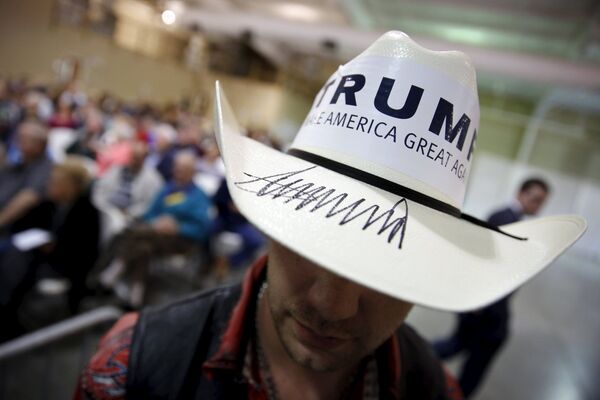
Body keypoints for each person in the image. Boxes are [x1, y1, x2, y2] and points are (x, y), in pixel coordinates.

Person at [74, 31, 585, 400]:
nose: (333, 304)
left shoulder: (435, 389)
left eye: (386, 263)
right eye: (312, 239)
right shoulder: (138, 364)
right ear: (271, 222)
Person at [432, 178, 550, 398]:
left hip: (485, 308)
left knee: (457, 345)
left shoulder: (510, 218)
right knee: (469, 365)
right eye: (535, 199)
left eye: (541, 202)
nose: (538, 206)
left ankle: (415, 359)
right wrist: (480, 304)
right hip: (487, 312)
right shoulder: (508, 219)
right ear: (521, 194)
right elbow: (489, 264)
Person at [0, 158, 100, 340]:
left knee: (15, 267)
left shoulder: (87, 213)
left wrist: (53, 248)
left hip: (63, 267)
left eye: (55, 182)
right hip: (38, 256)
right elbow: (26, 225)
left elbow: (83, 255)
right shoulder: (51, 204)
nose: (49, 185)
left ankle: (8, 319)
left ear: (71, 186)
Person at [97, 151, 212, 308]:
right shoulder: (168, 188)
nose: (178, 172)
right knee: (144, 248)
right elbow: (150, 213)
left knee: (132, 232)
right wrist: (157, 222)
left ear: (192, 172)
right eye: (176, 168)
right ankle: (136, 295)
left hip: (181, 239)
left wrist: (178, 227)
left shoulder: (199, 196)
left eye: (183, 169)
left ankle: (118, 266)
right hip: (154, 235)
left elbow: (202, 228)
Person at [93, 141, 163, 237]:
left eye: (136, 158)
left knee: (114, 227)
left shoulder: (153, 179)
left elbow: (149, 204)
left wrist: (129, 212)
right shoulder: (116, 169)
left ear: (144, 159)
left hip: (127, 215)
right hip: (105, 209)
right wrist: (102, 206)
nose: (132, 160)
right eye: (132, 157)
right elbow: (100, 189)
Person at [0, 120, 53, 232]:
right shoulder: (16, 164)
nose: (17, 141)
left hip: (17, 229)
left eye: (23, 138)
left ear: (39, 144)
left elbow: (29, 197)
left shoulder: (45, 168)